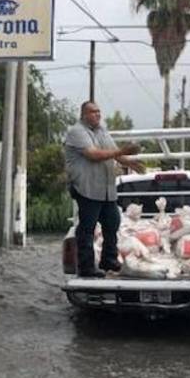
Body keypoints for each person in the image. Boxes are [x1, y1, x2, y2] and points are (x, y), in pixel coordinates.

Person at [63, 101, 144, 277]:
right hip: (87, 188)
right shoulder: (77, 132)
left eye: (99, 112)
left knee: (112, 222)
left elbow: (113, 151)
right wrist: (123, 151)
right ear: (84, 114)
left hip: (105, 189)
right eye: (93, 112)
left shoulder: (102, 131)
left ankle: (108, 259)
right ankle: (86, 267)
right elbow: (93, 155)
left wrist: (130, 162)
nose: (97, 115)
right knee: (87, 228)